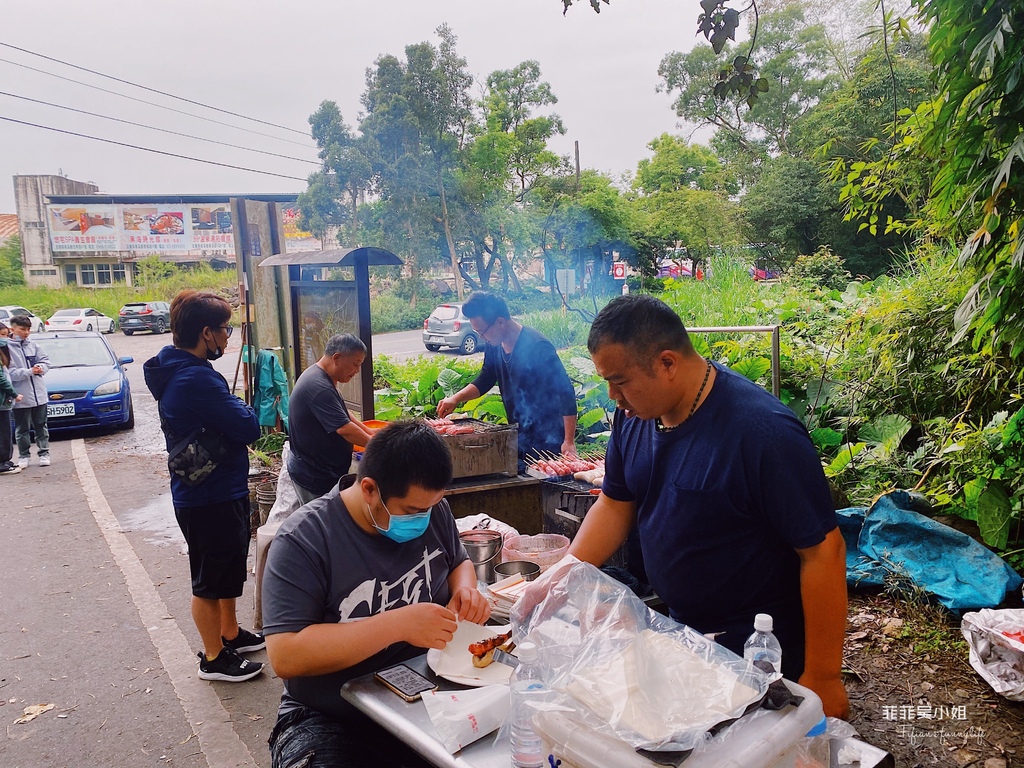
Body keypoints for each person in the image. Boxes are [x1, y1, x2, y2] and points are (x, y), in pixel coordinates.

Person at [567, 294, 850, 718]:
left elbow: (824, 552)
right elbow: (614, 503)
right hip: (681, 633)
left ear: (666, 363)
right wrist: (561, 577)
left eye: (621, 382)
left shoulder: (762, 433)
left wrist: (824, 676)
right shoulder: (634, 418)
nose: (613, 397)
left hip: (758, 649)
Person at [263, 420, 489, 768]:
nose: (423, 519)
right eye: (413, 511)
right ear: (369, 489)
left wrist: (465, 590)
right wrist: (396, 625)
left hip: (424, 695)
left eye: (430, 508)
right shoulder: (305, 539)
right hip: (332, 715)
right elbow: (286, 655)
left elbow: (459, 560)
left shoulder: (432, 512)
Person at [144, 290, 265, 683]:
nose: (228, 338)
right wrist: (242, 411)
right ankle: (214, 658)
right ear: (206, 333)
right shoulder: (194, 378)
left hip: (217, 487)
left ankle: (230, 633)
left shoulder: (180, 369)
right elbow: (248, 426)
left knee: (228, 569)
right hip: (208, 495)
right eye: (225, 331)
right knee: (209, 580)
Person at [437, 292, 577, 464]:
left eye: (482, 331)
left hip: (549, 437)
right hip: (518, 434)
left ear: (500, 322)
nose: (482, 337)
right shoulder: (494, 345)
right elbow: (486, 377)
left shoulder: (538, 346)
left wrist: (568, 441)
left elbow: (565, 392)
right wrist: (456, 399)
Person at [287, 333, 376, 505]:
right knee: (321, 526)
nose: (357, 371)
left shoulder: (323, 377)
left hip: (322, 469)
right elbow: (344, 428)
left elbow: (342, 414)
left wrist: (371, 433)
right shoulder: (319, 387)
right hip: (315, 476)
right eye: (355, 364)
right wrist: (380, 446)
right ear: (337, 358)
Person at [7, 315, 50, 468]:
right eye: (22, 329)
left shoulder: (33, 345)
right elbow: (9, 373)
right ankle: (24, 455)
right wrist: (29, 372)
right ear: (13, 329)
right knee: (22, 428)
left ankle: (44, 452)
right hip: (21, 395)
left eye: (28, 330)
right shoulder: (6, 348)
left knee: (41, 425)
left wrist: (41, 368)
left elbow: (45, 360)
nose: (26, 333)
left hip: (39, 394)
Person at [0, 337, 24, 475]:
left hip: (4, 403)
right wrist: (15, 394)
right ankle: (2, 462)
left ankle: (5, 460)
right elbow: (2, 381)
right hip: (2, 403)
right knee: (3, 433)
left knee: (6, 432)